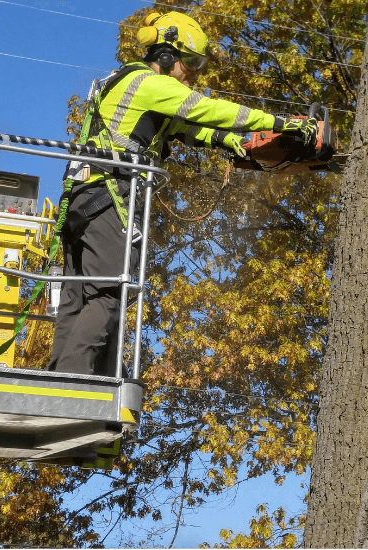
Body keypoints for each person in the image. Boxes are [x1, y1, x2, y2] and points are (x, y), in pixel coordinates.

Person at [48, 11, 319, 377]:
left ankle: (58, 377)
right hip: (107, 196)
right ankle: (72, 384)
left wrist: (235, 142)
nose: (194, 71)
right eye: (189, 61)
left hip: (82, 197)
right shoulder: (150, 84)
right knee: (110, 294)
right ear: (165, 55)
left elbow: (189, 128)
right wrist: (281, 123)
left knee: (76, 299)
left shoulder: (125, 84)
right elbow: (207, 110)